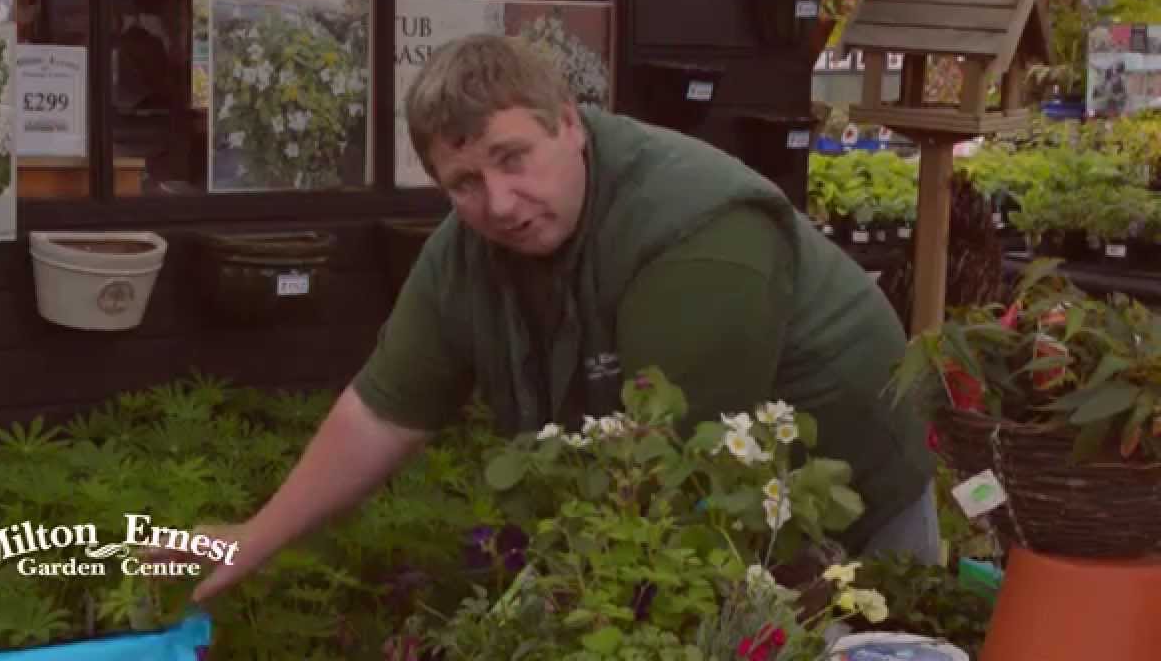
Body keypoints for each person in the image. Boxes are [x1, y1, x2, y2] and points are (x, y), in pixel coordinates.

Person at [173, 34, 937, 602]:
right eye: (464, 182)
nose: (499, 204)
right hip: (707, 522)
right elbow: (383, 411)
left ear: (570, 124)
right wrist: (252, 539)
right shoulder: (464, 254)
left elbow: (668, 474)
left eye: (513, 158)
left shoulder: (694, 230)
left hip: (850, 508)